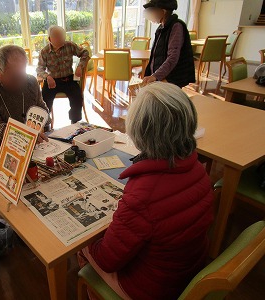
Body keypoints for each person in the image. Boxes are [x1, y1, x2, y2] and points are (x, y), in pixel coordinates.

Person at [78, 82, 214, 300]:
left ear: (140, 131)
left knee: (82, 249)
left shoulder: (143, 194)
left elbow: (106, 259)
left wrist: (85, 246)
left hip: (153, 290)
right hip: (189, 272)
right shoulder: (199, 169)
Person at [0, 45, 49, 149]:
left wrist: (42, 124)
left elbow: (42, 110)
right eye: (15, 77)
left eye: (23, 74)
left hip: (36, 147)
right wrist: (24, 135)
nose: (21, 82)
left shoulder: (31, 81)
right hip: (2, 148)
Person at [36, 25, 90, 124]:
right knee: (43, 102)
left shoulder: (70, 45)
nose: (60, 39)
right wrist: (47, 76)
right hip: (53, 81)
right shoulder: (44, 52)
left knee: (77, 98)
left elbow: (85, 53)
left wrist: (80, 66)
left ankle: (75, 123)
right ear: (49, 39)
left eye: (62, 36)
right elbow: (39, 69)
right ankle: (46, 124)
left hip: (68, 79)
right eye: (57, 37)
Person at [142, 0, 195, 88]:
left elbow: (173, 57)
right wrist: (151, 74)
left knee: (165, 100)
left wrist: (155, 76)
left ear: (163, 11)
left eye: (153, 10)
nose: (151, 13)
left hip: (172, 77)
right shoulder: (161, 27)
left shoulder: (176, 26)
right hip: (161, 75)